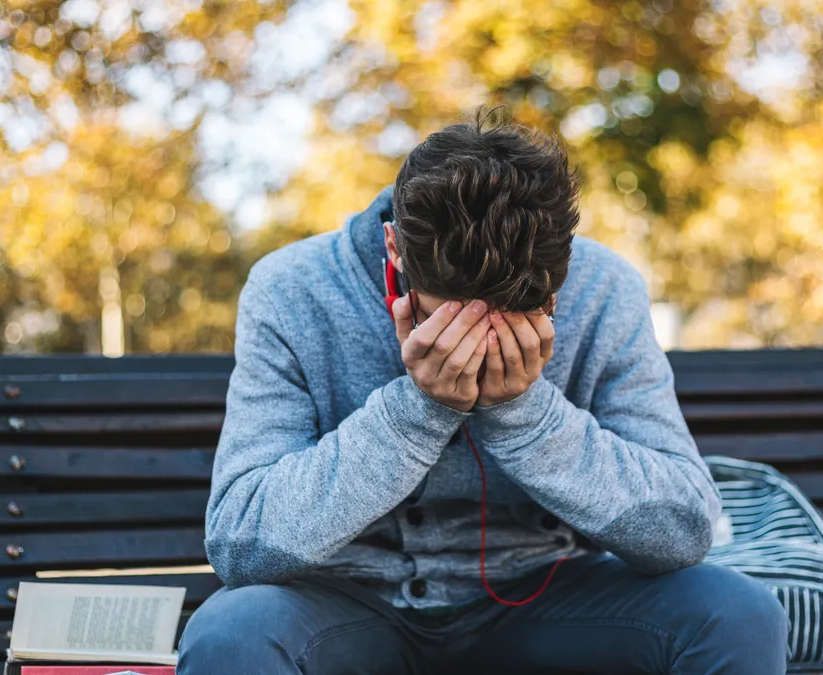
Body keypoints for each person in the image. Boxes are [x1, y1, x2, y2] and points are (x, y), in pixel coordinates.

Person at [178, 108, 788, 675]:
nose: (481, 342)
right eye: (456, 320)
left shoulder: (606, 290)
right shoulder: (291, 290)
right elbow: (242, 543)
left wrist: (527, 415)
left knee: (737, 613)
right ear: (396, 249)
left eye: (521, 315)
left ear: (562, 270)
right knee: (232, 633)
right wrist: (417, 412)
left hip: (548, 596)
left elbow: (684, 530)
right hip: (347, 605)